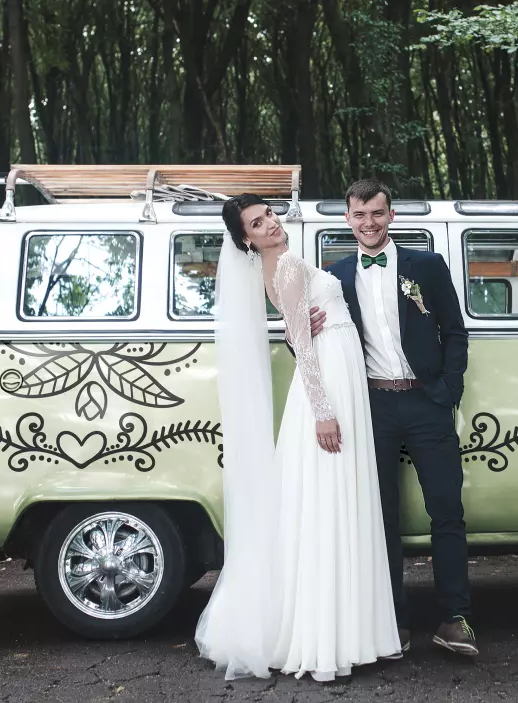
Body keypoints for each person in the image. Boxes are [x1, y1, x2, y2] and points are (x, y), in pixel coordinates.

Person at [195, 194, 401, 682]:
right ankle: (327, 638)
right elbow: (304, 347)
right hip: (328, 384)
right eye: (256, 224)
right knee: (330, 504)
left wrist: (298, 336)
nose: (270, 224)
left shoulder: (282, 263)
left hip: (339, 374)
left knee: (333, 503)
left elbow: (298, 331)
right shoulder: (285, 266)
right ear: (246, 240)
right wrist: (323, 412)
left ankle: (343, 632)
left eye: (268, 214)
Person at [315, 179, 477, 656]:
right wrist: (296, 330)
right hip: (372, 408)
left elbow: (455, 331)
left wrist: (448, 390)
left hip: (427, 402)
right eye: (360, 215)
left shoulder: (426, 266)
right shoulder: (334, 276)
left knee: (446, 511)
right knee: (380, 516)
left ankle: (455, 619)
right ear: (347, 219)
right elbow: (311, 341)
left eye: (377, 213)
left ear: (391, 215)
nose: (369, 223)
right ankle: (392, 624)